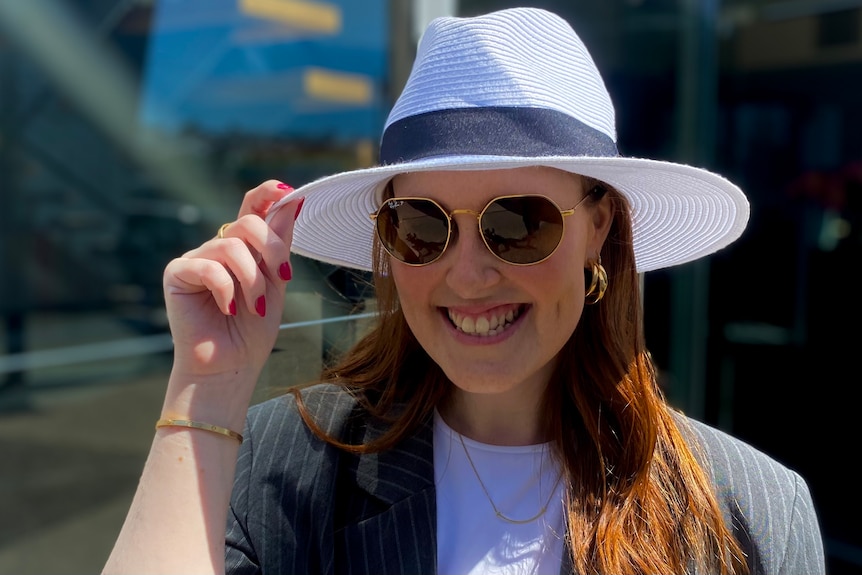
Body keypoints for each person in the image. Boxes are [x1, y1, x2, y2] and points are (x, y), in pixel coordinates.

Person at [103, 7, 825, 575]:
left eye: (519, 222)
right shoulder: (281, 470)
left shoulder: (753, 515)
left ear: (599, 227)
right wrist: (204, 392)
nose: (470, 273)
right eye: (422, 224)